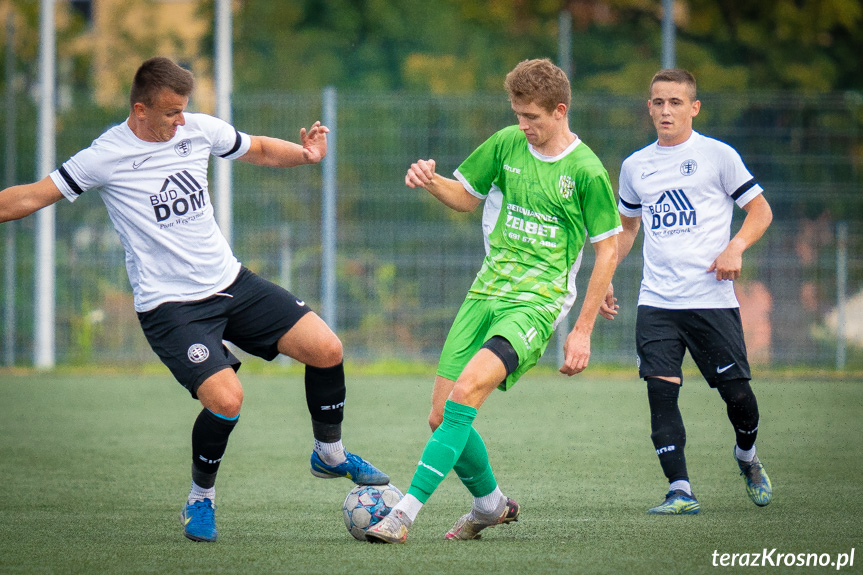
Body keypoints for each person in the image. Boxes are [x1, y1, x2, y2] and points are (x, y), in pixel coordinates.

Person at [0, 56, 388, 542]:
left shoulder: (198, 129)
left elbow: (261, 149)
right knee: (227, 400)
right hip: (170, 308)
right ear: (139, 109)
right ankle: (200, 499)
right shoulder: (104, 155)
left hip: (230, 282)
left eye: (184, 110)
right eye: (169, 113)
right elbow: (31, 197)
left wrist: (305, 155)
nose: (180, 121)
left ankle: (329, 453)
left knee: (327, 348)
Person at [364, 58, 621, 544]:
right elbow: (466, 196)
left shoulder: (586, 171)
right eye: (518, 114)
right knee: (441, 416)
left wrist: (582, 329)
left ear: (559, 110)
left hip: (535, 304)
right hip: (485, 292)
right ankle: (491, 505)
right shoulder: (506, 144)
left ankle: (404, 514)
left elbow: (607, 248)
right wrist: (430, 181)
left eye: (532, 117)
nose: (522, 125)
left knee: (465, 396)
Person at [604, 68, 774, 514]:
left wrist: (735, 247)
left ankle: (747, 457)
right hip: (657, 303)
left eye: (676, 102)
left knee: (738, 397)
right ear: (649, 107)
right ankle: (680, 489)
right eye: (658, 102)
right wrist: (602, 281)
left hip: (712, 301)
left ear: (694, 108)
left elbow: (760, 211)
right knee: (661, 393)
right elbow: (627, 228)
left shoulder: (719, 156)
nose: (666, 110)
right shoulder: (634, 166)